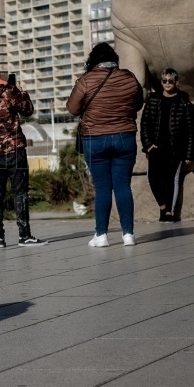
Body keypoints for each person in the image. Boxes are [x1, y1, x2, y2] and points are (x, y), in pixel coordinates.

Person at [66, 43, 144, 247]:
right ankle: (128, 234)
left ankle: (101, 235)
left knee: (102, 188)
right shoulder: (129, 77)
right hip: (124, 137)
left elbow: (72, 109)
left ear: (94, 60)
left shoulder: (86, 80)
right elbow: (138, 103)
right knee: (123, 186)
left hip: (95, 139)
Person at [0, 55, 48, 248]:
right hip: (14, 148)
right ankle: (24, 235)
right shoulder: (9, 90)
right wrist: (21, 91)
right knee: (19, 192)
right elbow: (28, 110)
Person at [140, 68, 194, 223]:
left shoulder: (184, 103)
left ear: (176, 82)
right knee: (153, 178)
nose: (167, 83)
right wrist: (148, 145)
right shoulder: (153, 100)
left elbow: (192, 130)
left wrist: (189, 153)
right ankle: (162, 206)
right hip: (156, 148)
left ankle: (169, 212)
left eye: (171, 81)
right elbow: (144, 124)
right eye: (164, 80)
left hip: (176, 149)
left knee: (173, 179)